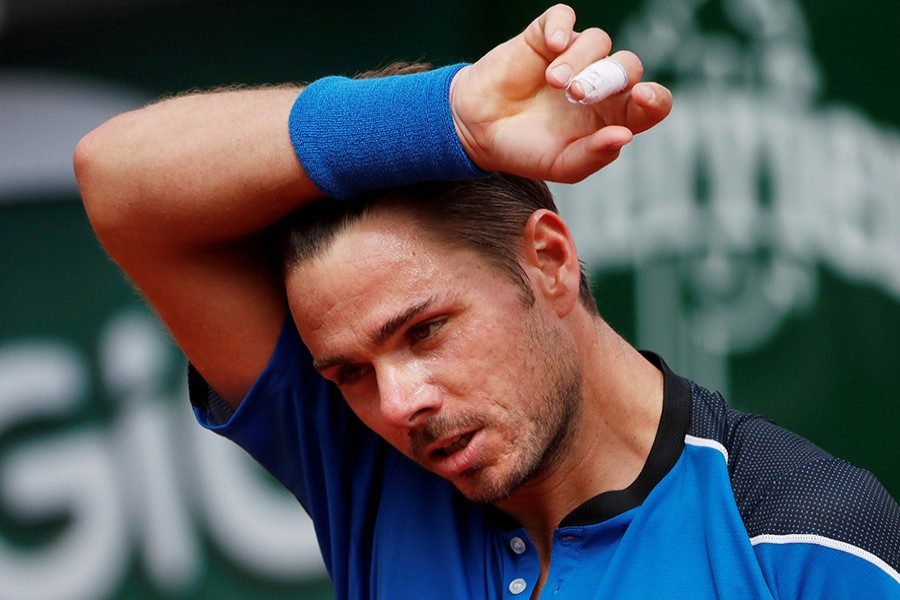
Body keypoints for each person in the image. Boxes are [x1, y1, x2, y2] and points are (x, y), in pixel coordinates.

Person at [74, 4, 899, 599]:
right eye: (349, 373)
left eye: (425, 331)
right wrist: (450, 117)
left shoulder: (807, 540)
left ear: (549, 260)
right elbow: (115, 179)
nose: (399, 404)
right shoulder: (368, 469)